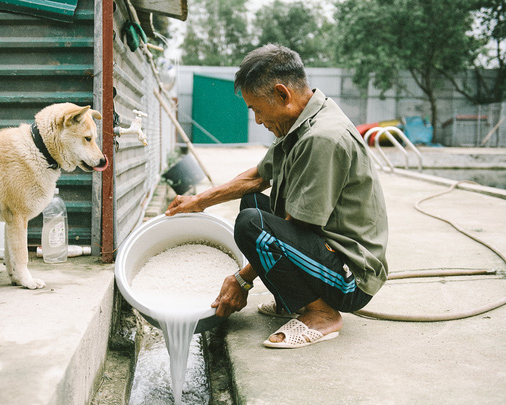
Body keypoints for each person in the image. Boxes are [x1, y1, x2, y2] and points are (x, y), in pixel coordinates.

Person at [165, 44, 388, 349]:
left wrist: (242, 280)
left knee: (252, 225)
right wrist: (198, 201)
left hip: (350, 277)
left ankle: (322, 313)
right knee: (253, 205)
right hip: (323, 253)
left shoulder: (323, 138)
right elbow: (258, 177)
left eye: (257, 108)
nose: (257, 120)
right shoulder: (298, 124)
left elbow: (296, 225)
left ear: (283, 95)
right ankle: (291, 300)